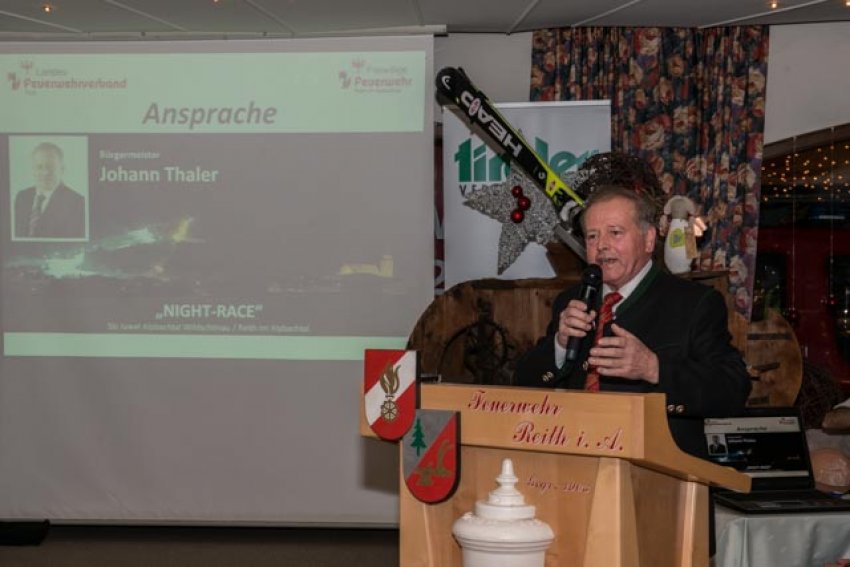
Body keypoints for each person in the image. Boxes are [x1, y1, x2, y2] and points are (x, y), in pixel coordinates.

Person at [514, 184, 752, 459]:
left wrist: (654, 369)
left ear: (648, 239)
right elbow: (523, 384)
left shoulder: (695, 303)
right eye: (592, 236)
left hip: (659, 471)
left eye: (615, 233)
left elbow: (732, 391)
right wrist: (559, 345)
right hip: (575, 465)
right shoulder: (572, 301)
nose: (602, 246)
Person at [14, 142, 86, 239]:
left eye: (51, 167)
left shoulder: (77, 203)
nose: (45, 172)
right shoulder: (22, 197)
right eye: (39, 167)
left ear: (62, 169)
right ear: (33, 169)